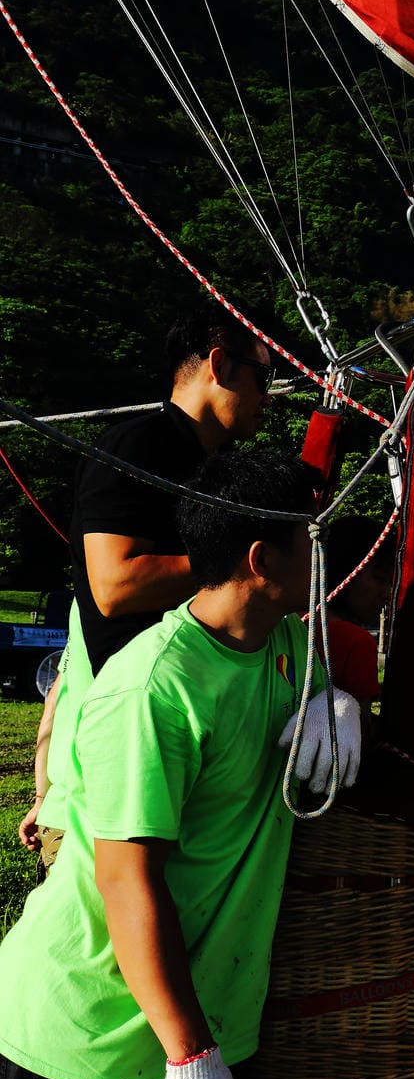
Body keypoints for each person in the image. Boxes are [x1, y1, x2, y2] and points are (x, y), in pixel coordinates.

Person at [0, 447, 351, 1079]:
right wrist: (190, 1053)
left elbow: (328, 692)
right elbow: (127, 885)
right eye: (310, 541)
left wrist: (339, 710)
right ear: (261, 559)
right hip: (88, 1040)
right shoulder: (153, 687)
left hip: (198, 1038)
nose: (325, 559)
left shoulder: (286, 645)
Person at [17, 301, 274, 863]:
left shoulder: (225, 468)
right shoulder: (137, 446)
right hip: (123, 749)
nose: (269, 396)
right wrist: (243, 564)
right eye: (264, 375)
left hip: (192, 737)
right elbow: (116, 585)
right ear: (219, 365)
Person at [320, 513, 393, 712]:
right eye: (380, 579)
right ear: (348, 572)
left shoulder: (290, 625)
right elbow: (359, 724)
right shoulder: (356, 643)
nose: (387, 592)